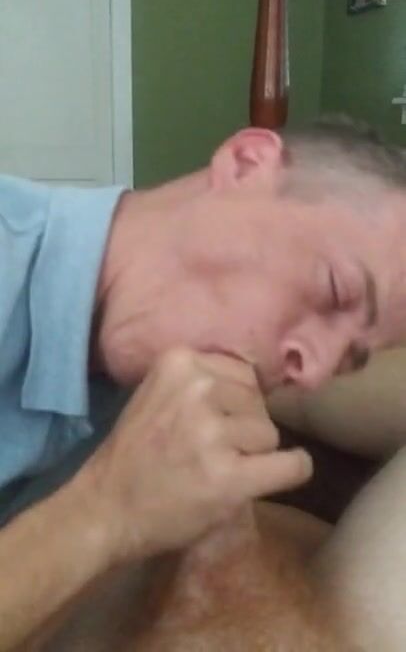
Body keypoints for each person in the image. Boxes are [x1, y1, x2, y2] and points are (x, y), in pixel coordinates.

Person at [1, 117, 406, 649]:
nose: (312, 373)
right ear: (245, 164)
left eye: (348, 360)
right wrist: (104, 510)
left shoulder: (154, 372)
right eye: (335, 288)